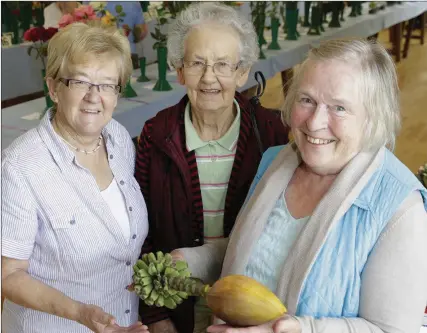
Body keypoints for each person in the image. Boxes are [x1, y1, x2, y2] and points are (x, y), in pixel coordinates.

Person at [174, 38, 427, 333]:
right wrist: (189, 261)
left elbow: (392, 330)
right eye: (307, 100)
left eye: (339, 108)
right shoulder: (275, 163)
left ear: (373, 117)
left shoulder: (399, 210)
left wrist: (294, 329)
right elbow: (252, 254)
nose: (315, 122)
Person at [134, 3, 290, 333]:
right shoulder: (157, 135)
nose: (209, 78)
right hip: (177, 305)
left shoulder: (273, 133)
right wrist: (156, 316)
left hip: (254, 307)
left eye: (222, 65)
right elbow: (140, 233)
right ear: (179, 70)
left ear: (242, 71)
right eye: (197, 63)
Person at [1, 22, 149, 333]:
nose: (95, 97)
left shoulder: (119, 139)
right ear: (54, 88)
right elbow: (8, 274)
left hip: (122, 322)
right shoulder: (21, 166)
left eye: (108, 84)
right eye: (80, 82)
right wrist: (78, 312)